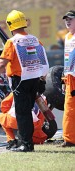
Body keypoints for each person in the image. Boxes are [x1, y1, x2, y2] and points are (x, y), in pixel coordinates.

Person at [0, 10, 49, 152]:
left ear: (10, 24)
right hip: (35, 80)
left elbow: (2, 63)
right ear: (24, 23)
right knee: (27, 111)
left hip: (20, 81)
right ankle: (24, 141)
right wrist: (43, 80)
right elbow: (43, 62)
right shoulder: (35, 40)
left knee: (22, 113)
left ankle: (26, 144)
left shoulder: (12, 42)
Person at [60, 10, 75, 147]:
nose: (68, 21)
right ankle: (69, 139)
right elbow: (67, 60)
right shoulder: (68, 37)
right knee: (69, 109)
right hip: (70, 78)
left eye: (71, 19)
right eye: (66, 19)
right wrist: (64, 79)